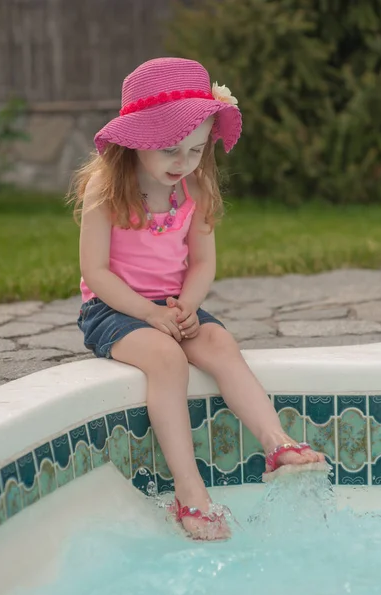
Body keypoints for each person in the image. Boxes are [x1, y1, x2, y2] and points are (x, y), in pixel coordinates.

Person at [70, 57, 325, 541]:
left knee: (220, 344)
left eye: (195, 148)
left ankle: (279, 446)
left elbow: (203, 263)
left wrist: (186, 303)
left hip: (173, 303)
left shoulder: (197, 188)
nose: (182, 162)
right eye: (169, 149)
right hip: (114, 309)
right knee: (167, 359)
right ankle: (191, 495)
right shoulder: (107, 189)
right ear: (135, 141)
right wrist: (147, 314)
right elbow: (95, 272)